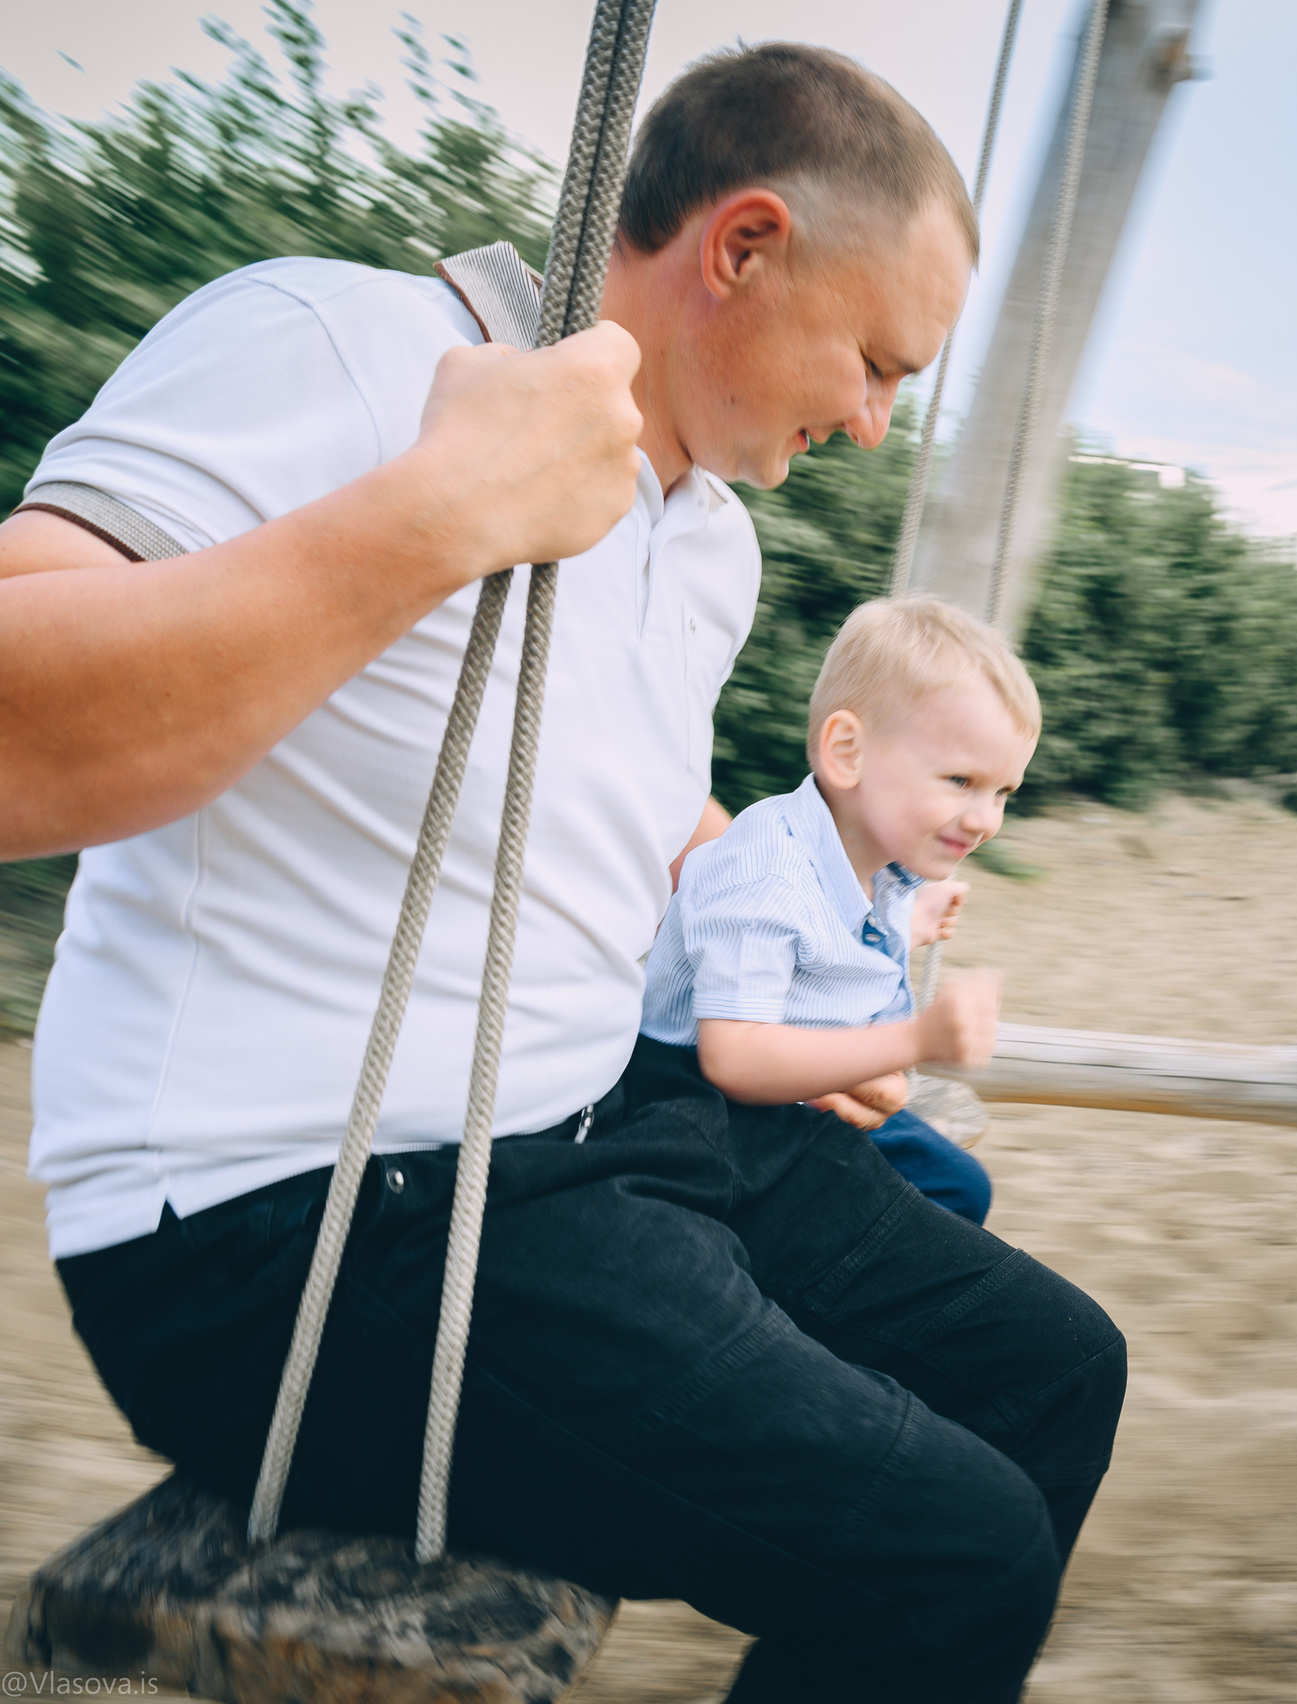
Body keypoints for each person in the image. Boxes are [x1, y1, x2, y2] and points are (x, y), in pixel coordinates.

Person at [0, 44, 1122, 1704]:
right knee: (951, 1548)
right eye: (876, 363)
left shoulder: (709, 540)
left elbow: (626, 823)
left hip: (597, 1128)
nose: (875, 426)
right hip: (290, 1221)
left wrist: (786, 935)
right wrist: (433, 512)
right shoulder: (345, 344)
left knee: (1052, 1370)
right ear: (740, 247)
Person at [644, 597, 1040, 1227]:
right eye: (961, 781)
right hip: (694, 1109)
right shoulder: (765, 871)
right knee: (938, 1199)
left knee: (958, 1184)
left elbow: (811, 951)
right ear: (848, 752)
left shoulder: (874, 861)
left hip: (781, 1093)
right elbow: (735, 1056)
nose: (984, 819)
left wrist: (899, 927)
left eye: (1003, 793)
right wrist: (919, 1039)